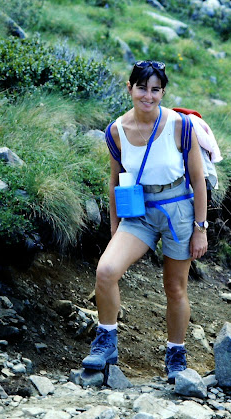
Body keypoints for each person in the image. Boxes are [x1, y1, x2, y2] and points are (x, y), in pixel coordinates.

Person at [82, 60, 209, 383]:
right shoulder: (116, 131)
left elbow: (198, 179)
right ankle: (106, 341)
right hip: (137, 212)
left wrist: (200, 229)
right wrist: (114, 229)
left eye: (155, 90)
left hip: (178, 209)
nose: (148, 96)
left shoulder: (181, 126)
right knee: (106, 271)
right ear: (129, 88)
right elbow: (114, 180)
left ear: (163, 92)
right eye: (142, 88)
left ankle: (176, 357)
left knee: (175, 288)